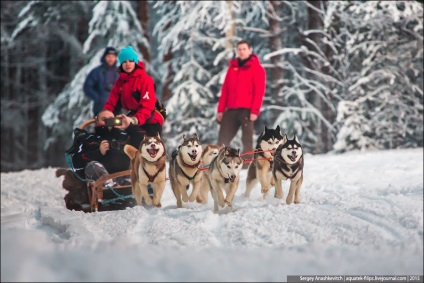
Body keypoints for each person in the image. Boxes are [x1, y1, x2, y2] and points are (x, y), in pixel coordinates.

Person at [216, 40, 266, 167]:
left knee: (247, 140)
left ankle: (247, 165)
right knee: (223, 139)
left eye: (244, 49)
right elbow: (225, 90)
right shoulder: (232, 68)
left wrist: (255, 111)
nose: (241, 51)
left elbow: (259, 91)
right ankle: (223, 163)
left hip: (247, 110)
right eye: (239, 49)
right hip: (231, 109)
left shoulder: (257, 69)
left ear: (250, 50)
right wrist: (221, 110)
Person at [103, 46, 164, 137]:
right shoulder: (120, 83)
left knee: (143, 145)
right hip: (133, 120)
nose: (128, 64)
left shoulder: (145, 80)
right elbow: (112, 103)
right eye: (124, 61)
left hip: (151, 121)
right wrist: (105, 116)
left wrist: (135, 120)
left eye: (130, 61)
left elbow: (148, 106)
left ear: (135, 62)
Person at [83, 46, 119, 116]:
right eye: (108, 56)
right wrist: (97, 98)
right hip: (100, 108)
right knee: (102, 126)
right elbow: (87, 87)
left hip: (116, 108)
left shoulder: (119, 73)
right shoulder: (97, 72)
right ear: (104, 57)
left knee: (117, 126)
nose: (110, 59)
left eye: (113, 57)